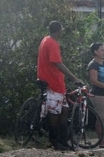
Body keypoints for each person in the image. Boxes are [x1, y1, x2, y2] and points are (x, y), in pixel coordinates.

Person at [36, 21, 84, 150]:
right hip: (52, 83)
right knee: (55, 114)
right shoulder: (52, 43)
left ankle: (63, 141)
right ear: (58, 30)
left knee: (64, 110)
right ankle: (55, 141)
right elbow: (58, 63)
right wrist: (74, 78)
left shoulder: (45, 40)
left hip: (56, 83)